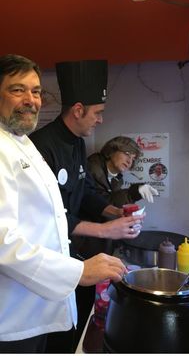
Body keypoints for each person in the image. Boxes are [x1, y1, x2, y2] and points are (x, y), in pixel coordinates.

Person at [0, 54, 126, 353]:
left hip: (41, 305)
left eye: (35, 91)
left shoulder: (23, 142)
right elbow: (3, 241)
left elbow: (55, 214)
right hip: (13, 317)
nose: (31, 99)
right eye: (18, 90)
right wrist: (77, 272)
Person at [29, 60, 144, 352]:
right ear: (78, 110)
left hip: (74, 255)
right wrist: (107, 229)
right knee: (52, 337)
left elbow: (87, 193)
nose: (101, 120)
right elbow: (49, 215)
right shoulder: (40, 146)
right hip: (46, 262)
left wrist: (117, 213)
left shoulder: (78, 143)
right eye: (98, 113)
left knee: (77, 325)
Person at [87, 136, 157, 207]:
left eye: (133, 159)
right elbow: (100, 205)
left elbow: (113, 201)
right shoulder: (91, 170)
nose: (129, 161)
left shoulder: (118, 179)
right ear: (112, 150)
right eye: (127, 153)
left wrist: (136, 190)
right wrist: (133, 193)